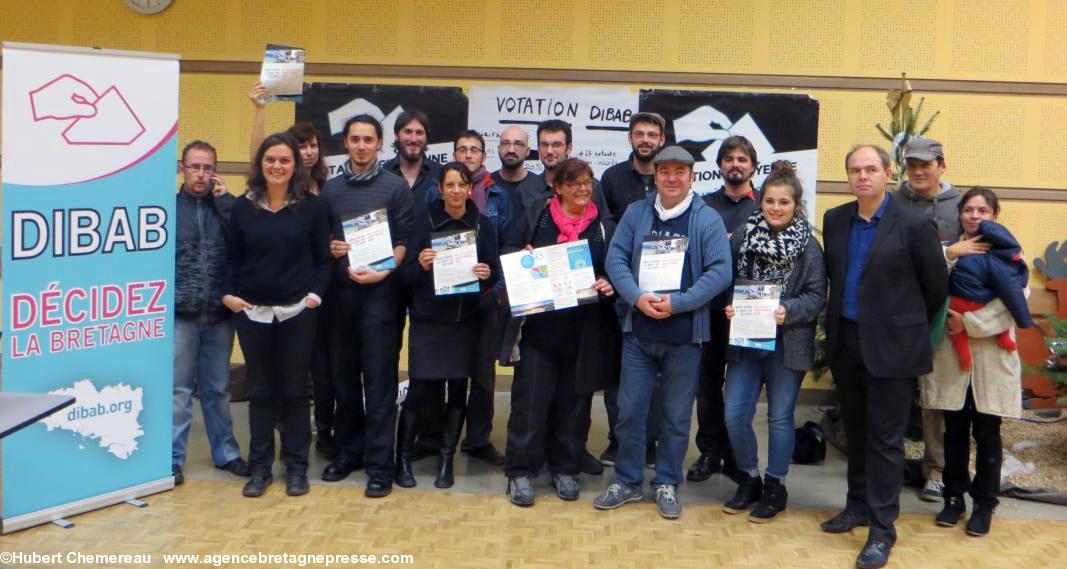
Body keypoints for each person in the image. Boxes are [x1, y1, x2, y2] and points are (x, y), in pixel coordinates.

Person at [820, 145, 947, 569]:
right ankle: (856, 506)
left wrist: (903, 326)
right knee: (855, 431)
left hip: (893, 347)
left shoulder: (914, 223)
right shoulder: (836, 220)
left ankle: (881, 529)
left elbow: (935, 287)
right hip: (847, 341)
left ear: (888, 173)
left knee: (885, 441)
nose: (862, 176)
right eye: (855, 170)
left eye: (870, 169)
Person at [595, 146, 732, 520]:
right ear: (654, 176)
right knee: (629, 412)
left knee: (675, 417)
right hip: (638, 335)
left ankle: (667, 482)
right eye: (665, 171)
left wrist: (680, 303)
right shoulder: (636, 213)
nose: (672, 178)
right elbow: (616, 259)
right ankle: (627, 481)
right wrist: (637, 298)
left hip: (685, 337)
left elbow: (720, 272)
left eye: (679, 171)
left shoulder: (706, 219)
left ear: (691, 176)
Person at [500, 158, 618, 507]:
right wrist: (522, 257)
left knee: (574, 406)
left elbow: (617, 267)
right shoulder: (537, 215)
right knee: (529, 403)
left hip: (584, 332)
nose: (583, 189)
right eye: (574, 183)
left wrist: (608, 282)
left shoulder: (604, 225)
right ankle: (521, 471)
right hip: (539, 330)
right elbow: (507, 250)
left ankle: (565, 468)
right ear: (558, 188)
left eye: (587, 182)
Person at [224, 133, 331, 498]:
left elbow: (323, 260)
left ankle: (297, 469)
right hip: (253, 314)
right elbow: (232, 258)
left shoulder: (312, 207)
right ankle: (260, 469)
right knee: (261, 392)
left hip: (297, 313)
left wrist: (315, 296)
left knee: (296, 392)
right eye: (270, 159)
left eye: (285, 160)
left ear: (295, 166)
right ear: (261, 164)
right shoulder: (242, 207)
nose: (277, 166)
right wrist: (229, 297)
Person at [718, 163, 825, 523]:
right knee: (734, 414)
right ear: (760, 201)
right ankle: (750, 478)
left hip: (786, 344)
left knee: (780, 417)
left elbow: (817, 296)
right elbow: (725, 281)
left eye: (784, 202)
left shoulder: (809, 246)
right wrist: (731, 305)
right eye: (770, 201)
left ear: (796, 205)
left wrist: (787, 310)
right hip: (747, 341)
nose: (776, 208)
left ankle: (776, 486)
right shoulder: (742, 237)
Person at [921, 187, 1031, 537]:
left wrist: (969, 323)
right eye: (968, 209)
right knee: (953, 432)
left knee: (987, 434)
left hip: (991, 357)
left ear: (994, 214)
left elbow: (1013, 303)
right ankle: (953, 498)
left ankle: (985, 504)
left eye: (982, 210)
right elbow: (927, 284)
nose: (974, 216)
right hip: (953, 358)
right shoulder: (949, 250)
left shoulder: (1010, 253)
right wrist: (950, 255)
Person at [320, 114, 414, 498]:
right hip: (340, 298)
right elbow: (320, 241)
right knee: (343, 381)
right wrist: (330, 248)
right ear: (345, 142)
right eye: (355, 139)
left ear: (379, 143)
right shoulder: (330, 190)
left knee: (379, 384)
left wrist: (385, 270)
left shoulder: (395, 187)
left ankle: (379, 466)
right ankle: (348, 454)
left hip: (381, 297)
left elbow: (405, 240)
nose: (361, 146)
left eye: (368, 139)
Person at [396, 162, 499, 488]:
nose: (456, 191)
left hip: (464, 322)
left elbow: (494, 272)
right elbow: (405, 277)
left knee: (457, 391)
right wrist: (421, 265)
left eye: (462, 185)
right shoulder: (423, 222)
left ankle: (446, 460)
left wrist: (486, 274)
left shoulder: (483, 225)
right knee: (419, 390)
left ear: (470, 189)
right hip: (428, 322)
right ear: (439, 188)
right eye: (450, 185)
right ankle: (402, 460)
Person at [428, 130, 514, 466]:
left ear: (483, 155)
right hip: (444, 302)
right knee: (443, 373)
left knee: (482, 376)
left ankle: (478, 439)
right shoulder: (433, 195)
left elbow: (505, 245)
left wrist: (495, 284)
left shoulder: (499, 195)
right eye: (461, 149)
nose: (468, 154)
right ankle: (436, 438)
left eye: (474, 149)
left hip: (485, 300)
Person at [172, 140, 249, 486]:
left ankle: (226, 453)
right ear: (182, 169)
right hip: (181, 313)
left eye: (207, 168)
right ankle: (172, 459)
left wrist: (225, 203)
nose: (201, 174)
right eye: (194, 167)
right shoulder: (169, 209)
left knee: (218, 389)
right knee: (178, 392)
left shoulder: (225, 207)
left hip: (220, 313)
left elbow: (242, 242)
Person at [594, 112, 668, 471]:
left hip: (661, 291)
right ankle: (617, 439)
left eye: (652, 134)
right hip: (621, 289)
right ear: (630, 138)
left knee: (655, 374)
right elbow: (605, 231)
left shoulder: (668, 178)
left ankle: (650, 442)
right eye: (640, 133)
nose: (645, 140)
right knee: (617, 370)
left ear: (662, 140)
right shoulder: (611, 178)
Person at [688, 135, 760, 483]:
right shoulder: (703, 205)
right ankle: (709, 451)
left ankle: (735, 455)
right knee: (708, 384)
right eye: (729, 159)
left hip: (750, 310)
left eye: (742, 159)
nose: (735, 164)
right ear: (719, 165)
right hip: (711, 307)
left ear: (753, 166)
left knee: (742, 387)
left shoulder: (765, 205)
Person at [513, 120, 612, 223]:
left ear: (569, 148)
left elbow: (606, 226)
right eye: (544, 145)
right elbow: (518, 231)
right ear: (538, 148)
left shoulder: (590, 187)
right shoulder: (525, 190)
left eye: (556, 145)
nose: (549, 151)